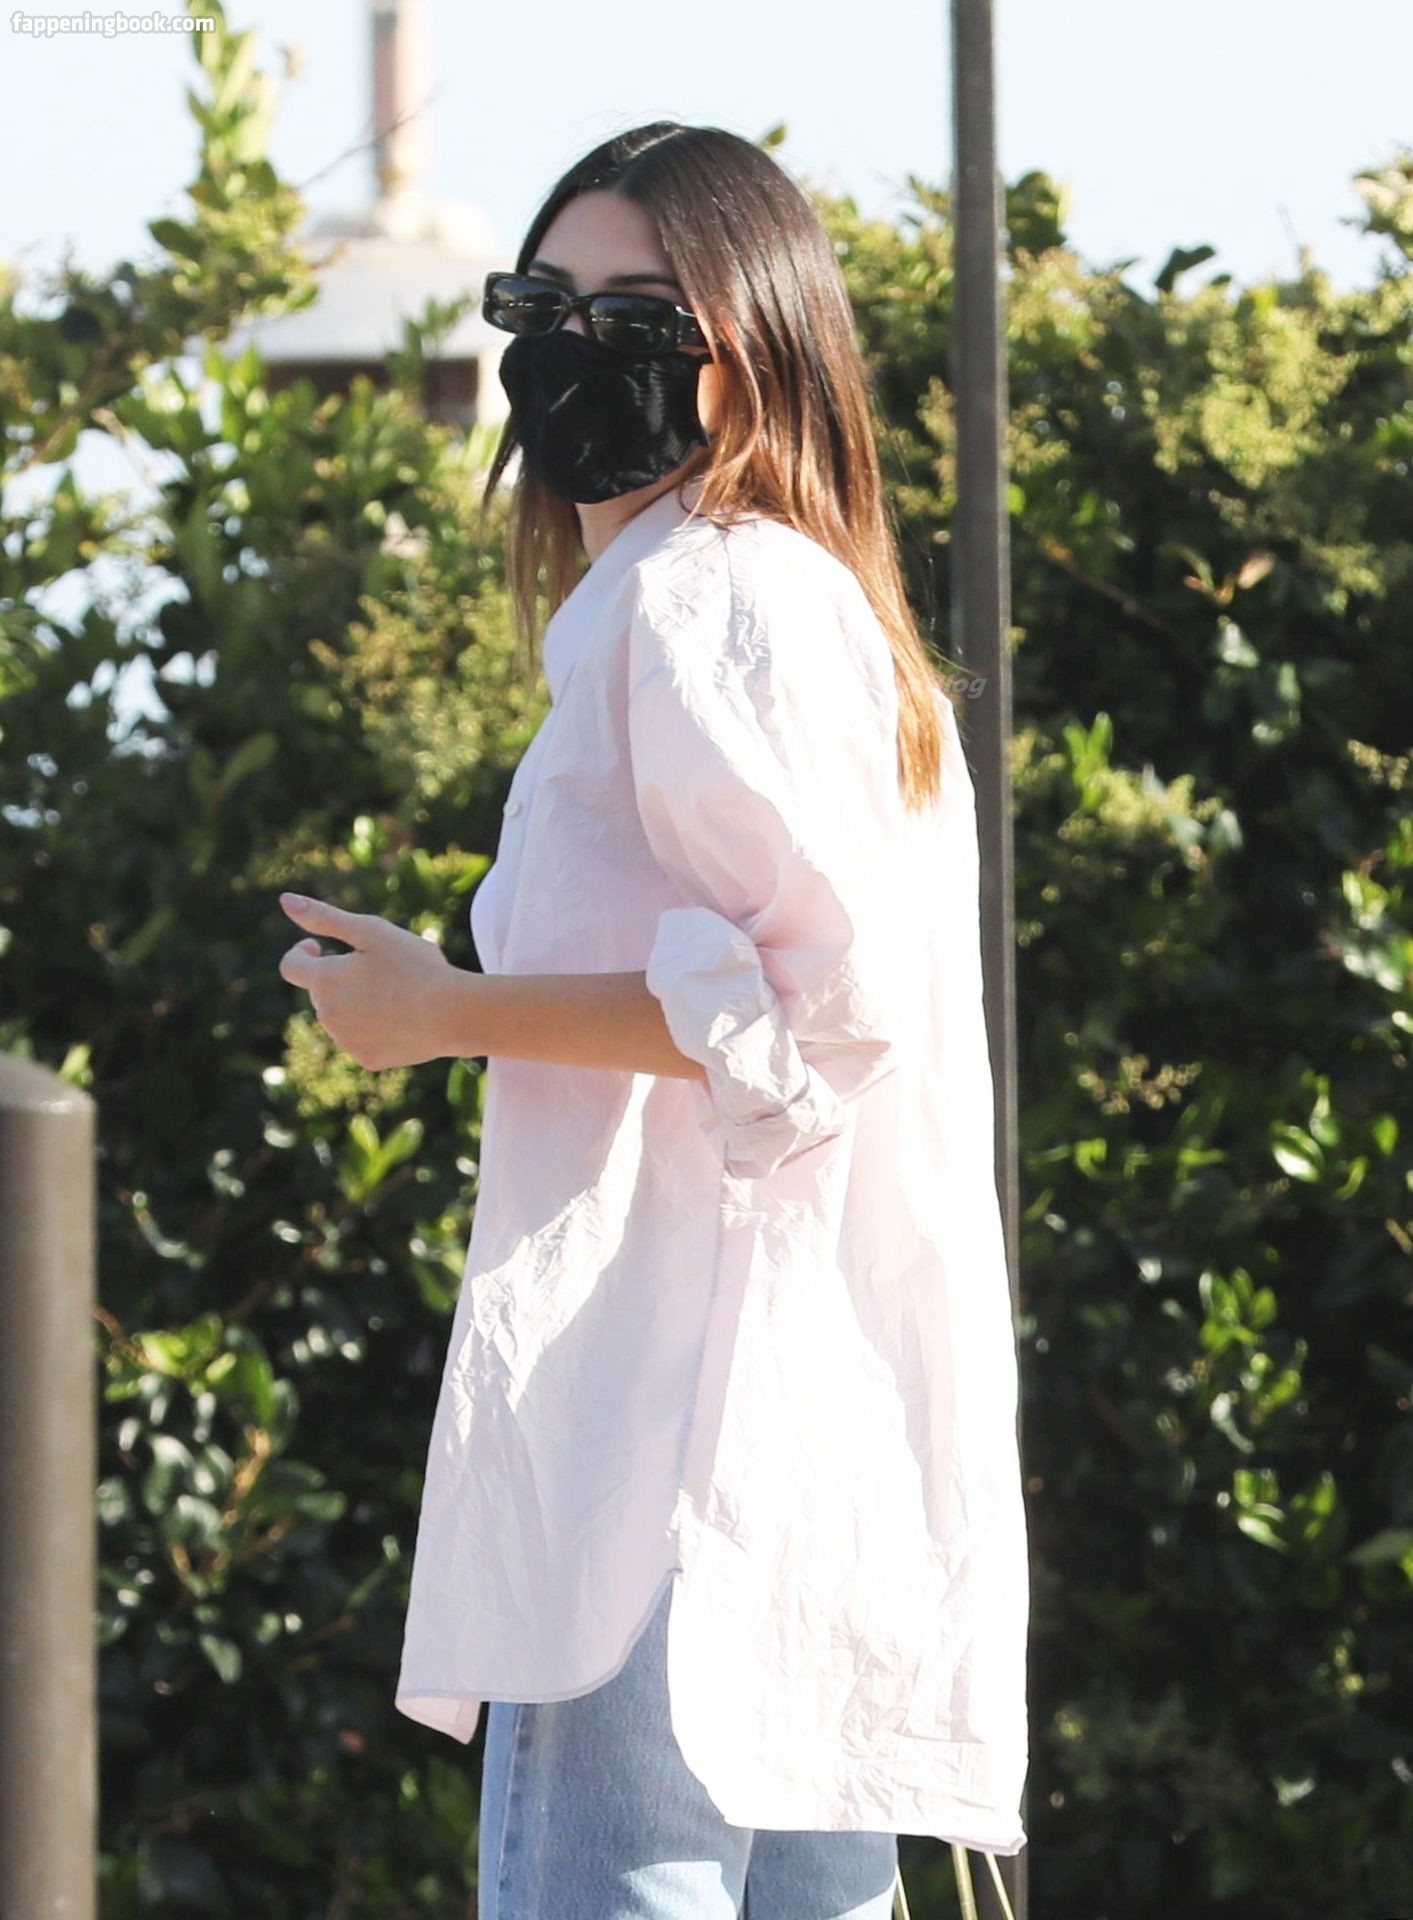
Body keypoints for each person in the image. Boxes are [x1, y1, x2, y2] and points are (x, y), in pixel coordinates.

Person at [277, 121, 1028, 1920]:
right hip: (806, 1474)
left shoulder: (708, 601)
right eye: (541, 304)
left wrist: (444, 1011)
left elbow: (814, 1013)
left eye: (636, 317)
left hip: (663, 1456)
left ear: (754, 347)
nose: (572, 352)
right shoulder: (801, 607)